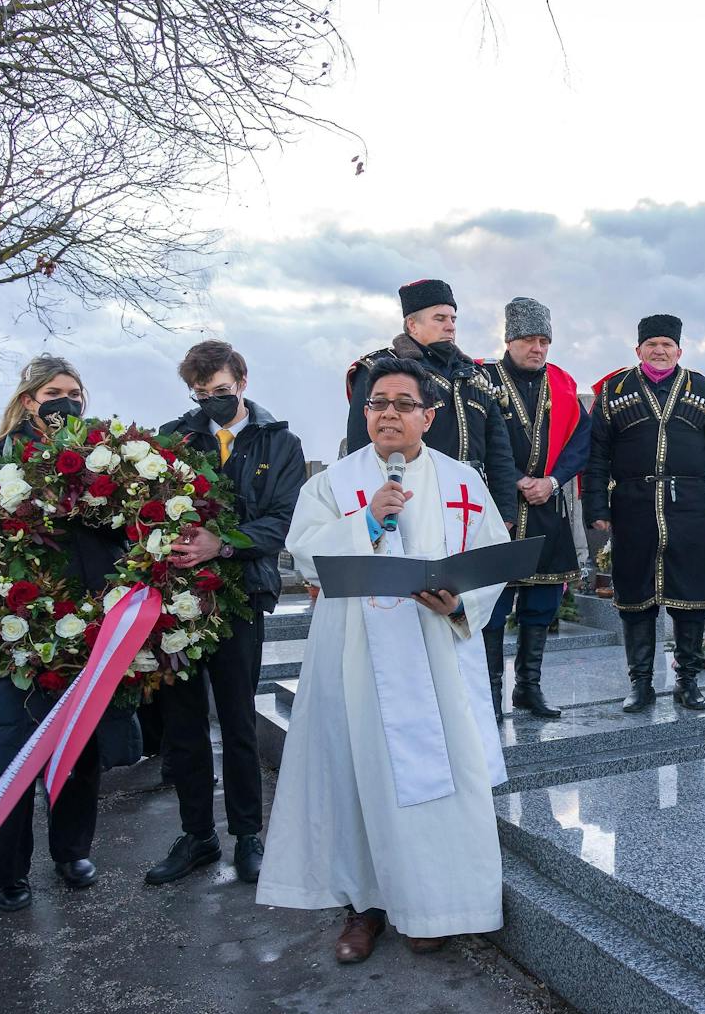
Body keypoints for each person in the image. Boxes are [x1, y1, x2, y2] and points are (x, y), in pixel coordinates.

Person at [258, 356, 510, 964]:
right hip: (355, 654)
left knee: (443, 781)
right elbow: (307, 558)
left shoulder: (462, 482)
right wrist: (368, 519)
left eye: (403, 403)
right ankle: (364, 907)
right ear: (364, 413)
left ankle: (434, 904)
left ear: (429, 415)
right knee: (357, 773)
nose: (389, 413)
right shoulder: (334, 484)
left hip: (434, 649)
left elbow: (492, 556)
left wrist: (459, 601)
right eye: (378, 404)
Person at [144, 341, 305, 886]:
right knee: (183, 723)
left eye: (220, 391)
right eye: (200, 393)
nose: (211, 400)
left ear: (242, 379)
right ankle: (197, 835)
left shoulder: (279, 442)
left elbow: (283, 520)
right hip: (179, 599)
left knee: (237, 719)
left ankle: (248, 835)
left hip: (240, 594)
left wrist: (225, 544)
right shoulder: (176, 437)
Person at [0, 355, 134, 910]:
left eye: (76, 392)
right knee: (13, 749)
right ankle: (8, 873)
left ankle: (71, 850)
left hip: (89, 618)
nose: (68, 401)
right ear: (29, 400)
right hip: (20, 622)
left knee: (78, 746)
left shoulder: (105, 457)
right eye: (55, 392)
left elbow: (126, 523)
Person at [583, 315, 705, 714]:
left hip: (688, 506)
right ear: (638, 350)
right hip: (633, 506)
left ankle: (688, 680)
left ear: (679, 351)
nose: (659, 350)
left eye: (666, 345)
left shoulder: (703, 389)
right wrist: (597, 506)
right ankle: (640, 683)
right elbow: (597, 453)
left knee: (691, 598)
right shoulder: (615, 391)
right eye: (651, 344)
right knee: (635, 598)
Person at [482, 298, 589, 723]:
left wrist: (553, 481)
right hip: (498, 511)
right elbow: (477, 439)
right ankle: (491, 693)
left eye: (544, 340)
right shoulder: (484, 380)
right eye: (529, 339)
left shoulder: (562, 384)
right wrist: (512, 483)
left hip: (548, 506)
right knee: (493, 608)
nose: (538, 348)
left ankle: (529, 687)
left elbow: (582, 440)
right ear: (509, 340)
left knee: (541, 605)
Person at [345, 279, 519, 527]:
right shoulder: (380, 370)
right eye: (440, 319)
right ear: (412, 325)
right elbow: (361, 449)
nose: (450, 326)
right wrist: (371, 513)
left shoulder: (476, 375)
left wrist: (505, 515)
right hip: (409, 503)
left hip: (470, 504)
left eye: (453, 319)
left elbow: (499, 451)